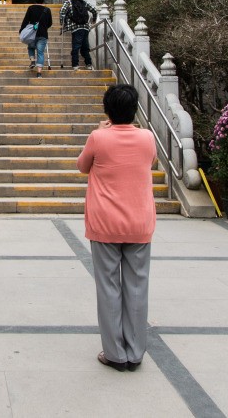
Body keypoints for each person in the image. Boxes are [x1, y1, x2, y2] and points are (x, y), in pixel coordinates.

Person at [77, 84, 156, 372]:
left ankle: (114, 353)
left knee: (108, 287)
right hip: (139, 222)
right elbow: (151, 161)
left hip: (105, 222)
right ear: (135, 110)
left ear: (107, 110)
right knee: (137, 287)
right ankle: (135, 352)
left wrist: (102, 131)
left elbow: (82, 166)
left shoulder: (98, 137)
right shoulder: (148, 138)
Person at [60, 0, 97, 70]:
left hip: (75, 28)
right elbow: (94, 10)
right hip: (85, 28)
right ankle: (89, 64)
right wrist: (93, 20)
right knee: (85, 46)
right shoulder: (83, 2)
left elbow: (62, 12)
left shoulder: (68, 2)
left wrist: (62, 23)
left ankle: (75, 65)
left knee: (76, 46)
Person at [19, 0, 53, 76]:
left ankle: (32, 60)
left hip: (32, 33)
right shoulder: (47, 10)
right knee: (40, 52)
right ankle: (39, 73)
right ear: (43, 0)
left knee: (31, 47)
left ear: (35, 0)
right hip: (43, 34)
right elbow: (50, 23)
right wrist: (44, 27)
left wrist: (21, 30)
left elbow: (26, 20)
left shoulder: (31, 8)